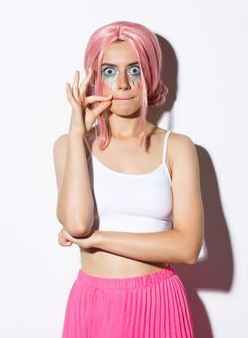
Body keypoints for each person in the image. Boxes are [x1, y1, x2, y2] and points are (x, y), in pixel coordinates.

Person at [53, 21, 204, 338]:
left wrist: (100, 240)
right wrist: (78, 133)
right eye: (109, 72)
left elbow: (188, 247)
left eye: (134, 70)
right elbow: (78, 224)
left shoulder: (176, 148)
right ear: (95, 79)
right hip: (93, 305)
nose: (122, 83)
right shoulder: (69, 145)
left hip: (158, 304)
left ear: (150, 74)